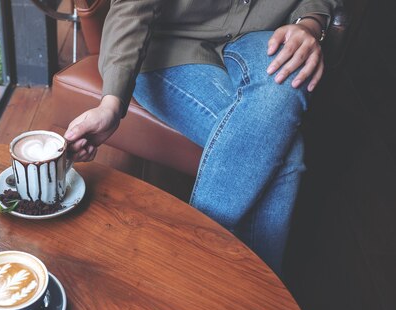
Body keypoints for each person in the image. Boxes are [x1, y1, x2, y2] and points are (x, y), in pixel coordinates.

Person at [63, 0, 342, 276]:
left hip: (263, 36)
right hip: (171, 46)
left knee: (289, 78)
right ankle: (246, 295)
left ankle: (190, 269)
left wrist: (309, 23)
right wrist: (110, 106)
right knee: (285, 154)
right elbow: (132, 8)